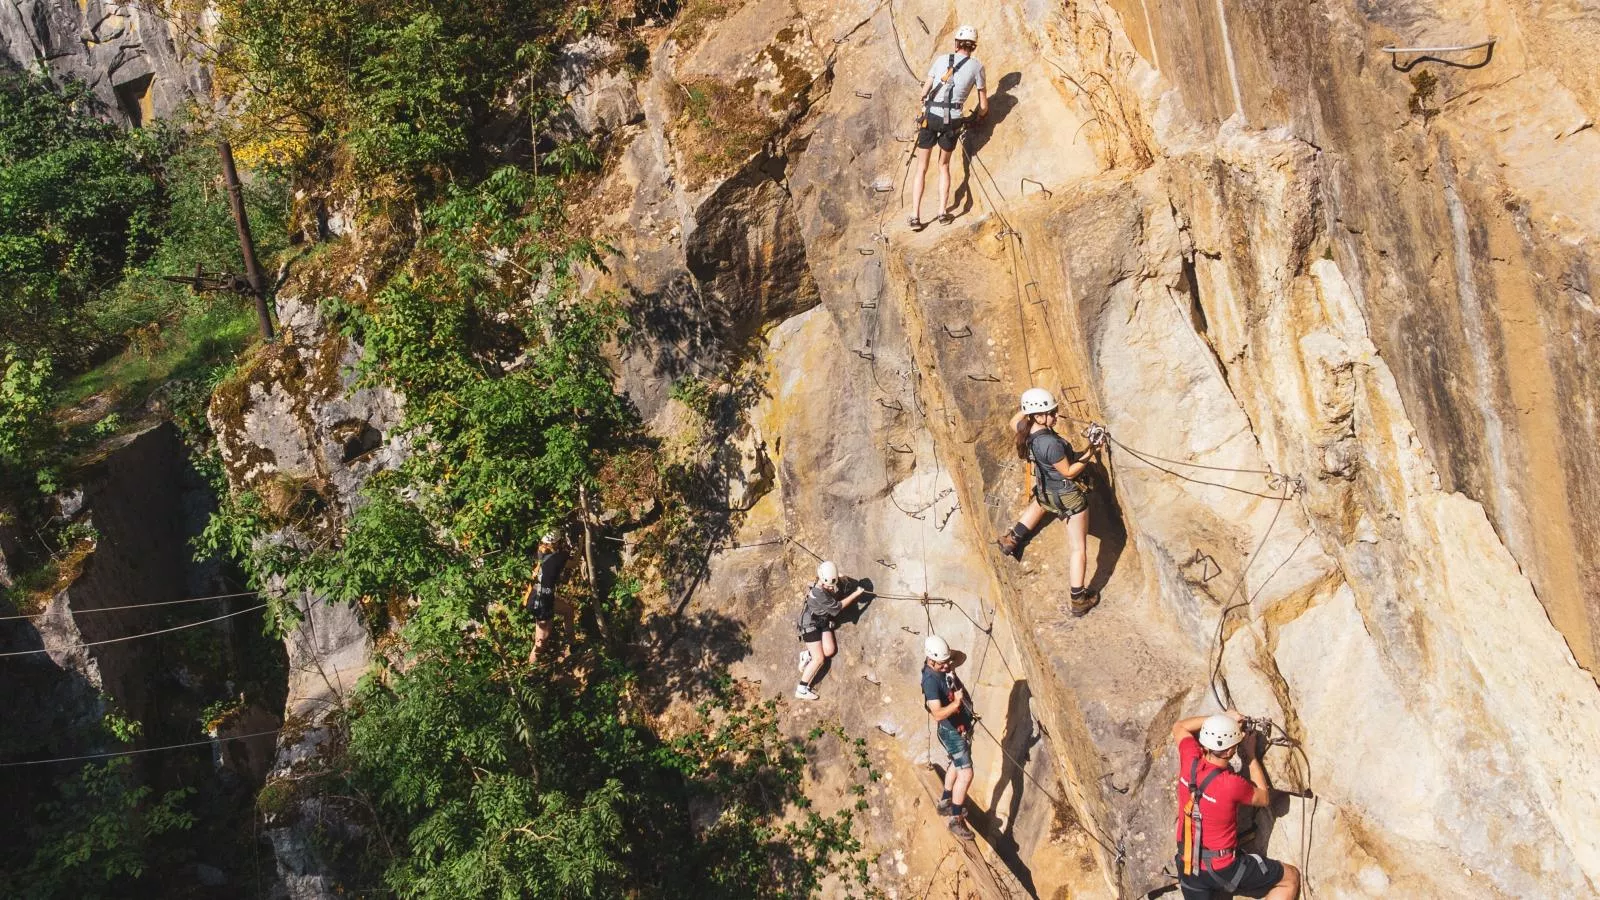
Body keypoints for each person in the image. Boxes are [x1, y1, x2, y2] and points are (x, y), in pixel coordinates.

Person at [1169, 711, 1301, 900]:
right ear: (1231, 751)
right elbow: (1263, 798)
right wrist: (1250, 756)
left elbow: (1179, 726)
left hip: (1189, 868)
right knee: (1290, 878)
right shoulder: (1231, 784)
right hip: (1224, 868)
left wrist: (1221, 719)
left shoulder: (1190, 759)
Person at [996, 388, 1104, 616]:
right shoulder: (1050, 444)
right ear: (1038, 416)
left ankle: (1012, 540)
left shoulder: (1025, 430)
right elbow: (1069, 472)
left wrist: (1031, 407)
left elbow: (1014, 419)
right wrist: (1091, 450)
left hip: (1046, 490)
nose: (1056, 416)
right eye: (1052, 413)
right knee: (1078, 548)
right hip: (1067, 496)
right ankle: (1078, 599)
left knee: (1040, 504)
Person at [907, 24, 988, 231]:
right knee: (943, 166)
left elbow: (923, 93)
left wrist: (925, 99)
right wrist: (977, 118)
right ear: (973, 46)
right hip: (952, 121)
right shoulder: (977, 66)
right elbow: (984, 106)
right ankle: (942, 213)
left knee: (921, 168)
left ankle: (915, 216)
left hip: (931, 116)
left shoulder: (941, 60)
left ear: (956, 43)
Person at [922, 635, 976, 840]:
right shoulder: (930, 682)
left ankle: (946, 800)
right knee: (966, 774)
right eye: (942, 663)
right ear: (931, 660)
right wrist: (957, 703)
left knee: (955, 763)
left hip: (958, 728)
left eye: (947, 662)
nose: (946, 666)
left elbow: (960, 657)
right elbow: (937, 713)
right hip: (951, 732)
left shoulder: (941, 669)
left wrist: (949, 665)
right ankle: (955, 819)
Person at [794, 560, 867, 700]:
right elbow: (838, 607)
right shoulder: (817, 592)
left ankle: (808, 654)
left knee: (829, 651)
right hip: (810, 624)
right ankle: (802, 688)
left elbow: (840, 579)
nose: (830, 587)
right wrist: (856, 594)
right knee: (819, 658)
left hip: (823, 620)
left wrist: (841, 577)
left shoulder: (827, 578)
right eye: (828, 584)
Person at [524, 531, 571, 664]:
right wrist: (579, 547)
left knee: (567, 610)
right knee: (541, 641)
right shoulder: (557, 558)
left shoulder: (538, 554)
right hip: (543, 601)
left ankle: (573, 643)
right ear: (556, 543)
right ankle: (529, 670)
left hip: (534, 597)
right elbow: (572, 564)